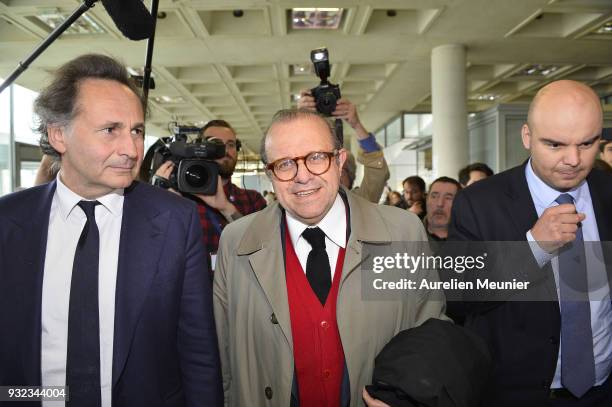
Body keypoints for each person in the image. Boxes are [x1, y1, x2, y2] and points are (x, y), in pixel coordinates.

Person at [0, 54, 222, 406]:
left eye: (136, 131)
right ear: (59, 135)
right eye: (110, 130)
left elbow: (197, 349)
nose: (131, 149)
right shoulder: (8, 222)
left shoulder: (175, 221)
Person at [213, 108, 448, 406]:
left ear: (339, 161)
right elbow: (222, 355)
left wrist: (412, 399)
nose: (302, 176)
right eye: (285, 164)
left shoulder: (402, 232)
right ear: (270, 175)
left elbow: (430, 332)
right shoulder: (236, 243)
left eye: (316, 158)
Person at [449, 80, 612, 406]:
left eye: (587, 143)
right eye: (555, 145)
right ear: (527, 137)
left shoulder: (607, 189)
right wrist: (532, 248)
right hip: (518, 393)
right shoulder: (479, 202)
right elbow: (458, 297)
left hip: (604, 389)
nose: (573, 159)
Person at [155, 119, 266, 260]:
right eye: (215, 143)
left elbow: (264, 247)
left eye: (230, 144)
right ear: (200, 148)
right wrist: (164, 205)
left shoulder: (252, 200)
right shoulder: (178, 196)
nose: (224, 150)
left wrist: (226, 208)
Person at [298, 91, 390, 203]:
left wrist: (356, 125)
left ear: (351, 176)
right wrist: (301, 121)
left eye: (340, 166)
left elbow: (376, 169)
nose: (332, 173)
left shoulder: (362, 201)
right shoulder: (302, 203)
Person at [423, 177, 461, 241]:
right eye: (434, 197)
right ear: (426, 200)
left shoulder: (471, 238)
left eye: (448, 198)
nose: (440, 204)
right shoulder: (410, 234)